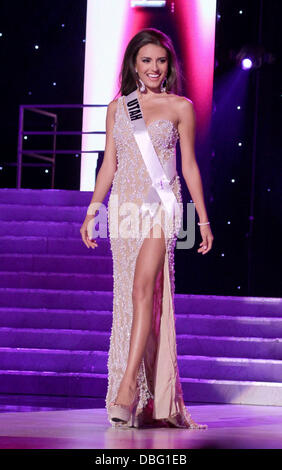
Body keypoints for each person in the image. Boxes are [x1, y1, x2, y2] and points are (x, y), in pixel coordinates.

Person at [80, 28, 214, 429]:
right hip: (124, 210)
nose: (154, 68)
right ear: (134, 65)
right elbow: (109, 164)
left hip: (160, 207)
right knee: (132, 299)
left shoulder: (180, 107)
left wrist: (203, 219)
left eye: (161, 60)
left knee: (143, 289)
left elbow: (188, 165)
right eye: (146, 61)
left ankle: (127, 390)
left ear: (169, 64)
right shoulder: (119, 107)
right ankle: (144, 393)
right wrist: (92, 211)